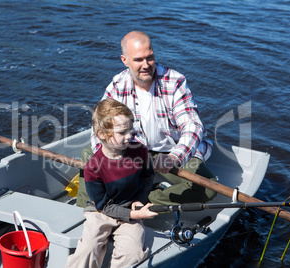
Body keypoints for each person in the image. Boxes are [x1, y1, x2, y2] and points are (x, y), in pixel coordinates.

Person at [76, 31, 217, 208]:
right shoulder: (117, 86)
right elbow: (101, 128)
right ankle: (87, 208)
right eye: (138, 60)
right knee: (89, 155)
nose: (146, 65)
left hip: (169, 151)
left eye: (149, 57)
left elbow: (193, 126)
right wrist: (110, 164)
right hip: (132, 147)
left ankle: (144, 201)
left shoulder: (174, 82)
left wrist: (174, 157)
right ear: (124, 60)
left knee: (207, 188)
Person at [66, 98, 158, 268]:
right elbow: (104, 206)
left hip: (130, 208)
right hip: (100, 211)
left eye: (130, 129)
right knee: (88, 248)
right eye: (122, 132)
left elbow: (147, 177)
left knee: (133, 253)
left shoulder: (140, 151)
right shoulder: (93, 167)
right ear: (102, 134)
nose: (129, 136)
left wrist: (139, 200)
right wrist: (136, 215)